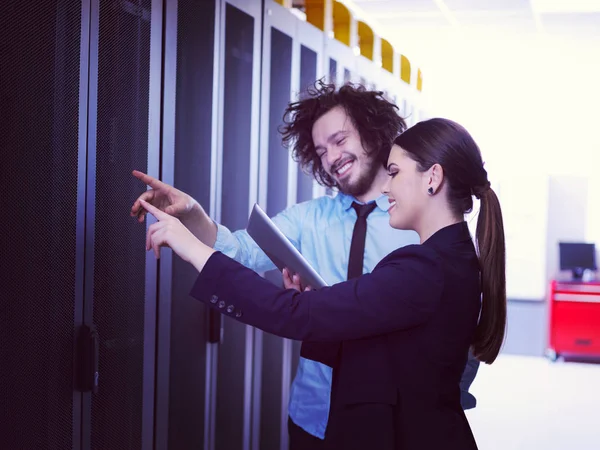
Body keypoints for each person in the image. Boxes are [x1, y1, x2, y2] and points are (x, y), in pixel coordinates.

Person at [130, 81, 480, 447]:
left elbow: (446, 348)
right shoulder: (311, 218)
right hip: (314, 413)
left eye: (340, 140)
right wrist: (194, 217)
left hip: (392, 425)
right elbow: (243, 252)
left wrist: (309, 309)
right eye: (320, 150)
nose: (331, 157)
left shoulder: (418, 240)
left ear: (373, 134)